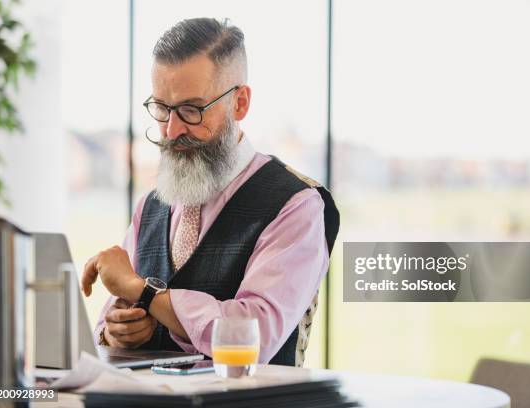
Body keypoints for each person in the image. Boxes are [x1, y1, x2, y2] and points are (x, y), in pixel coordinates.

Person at [80, 17, 339, 366]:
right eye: (161, 108)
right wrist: (117, 331)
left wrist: (145, 293)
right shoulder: (150, 206)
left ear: (240, 103)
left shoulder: (296, 205)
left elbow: (253, 336)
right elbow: (114, 319)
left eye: (191, 109)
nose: (172, 129)